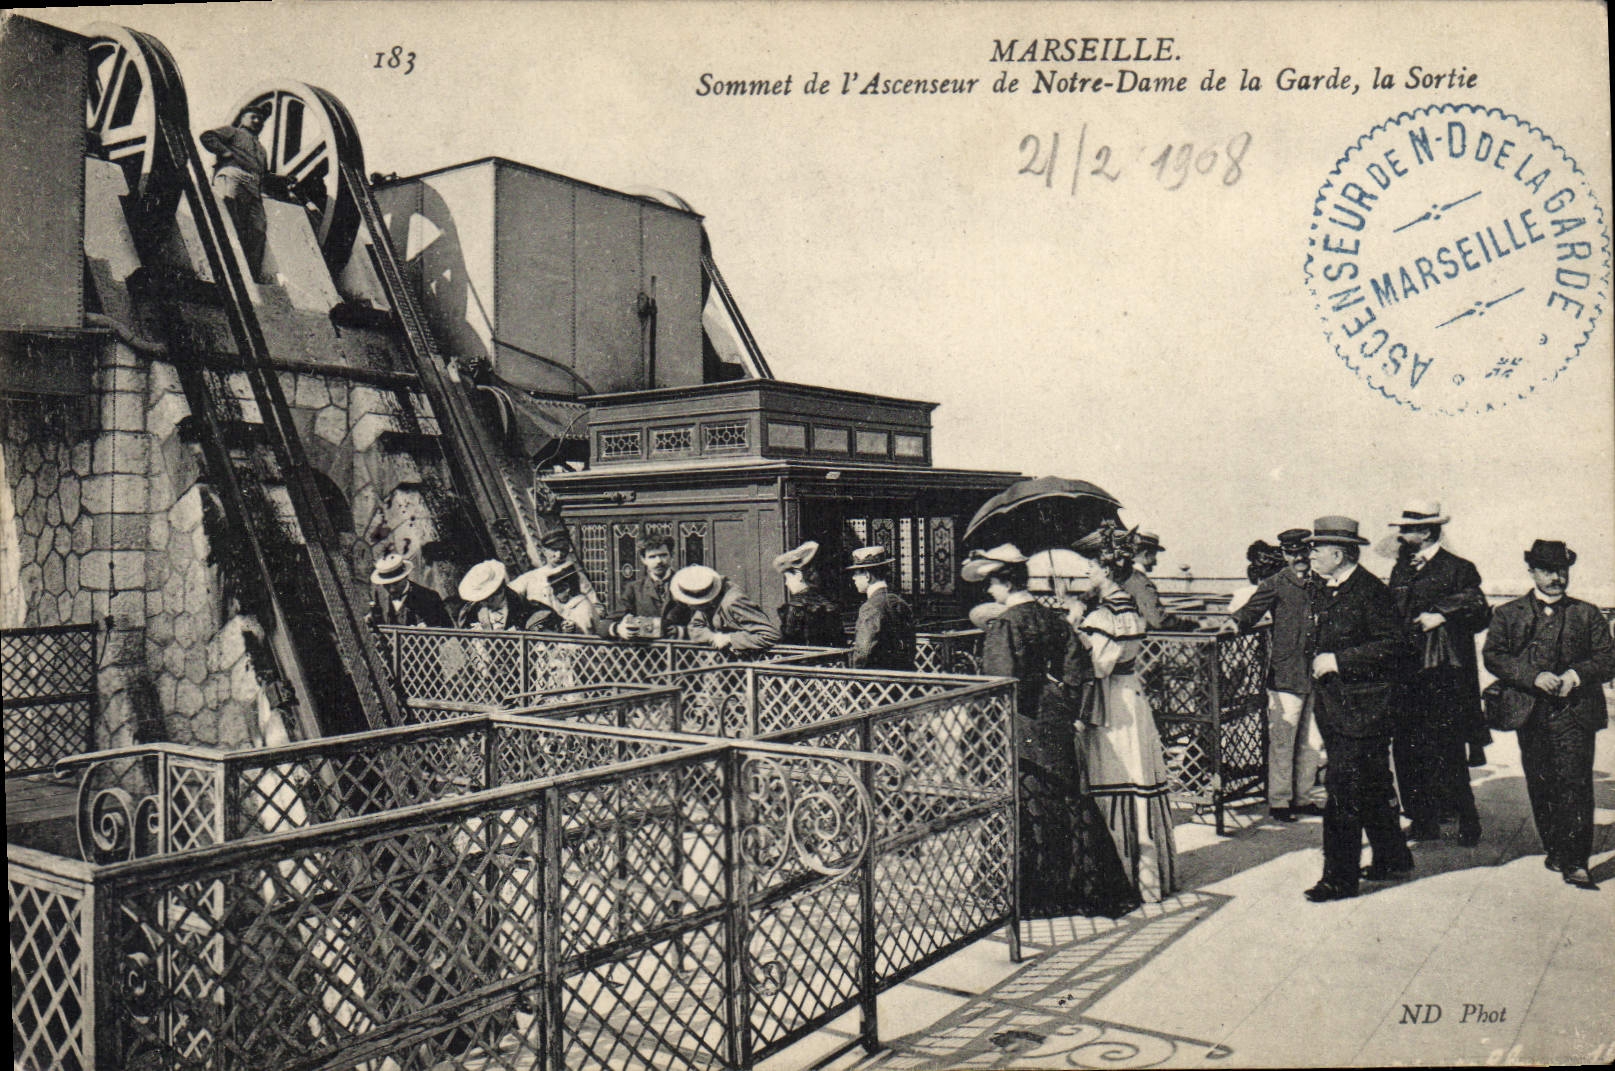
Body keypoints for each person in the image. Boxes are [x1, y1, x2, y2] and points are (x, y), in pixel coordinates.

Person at [965, 543, 1140, 917]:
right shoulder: (1053, 619)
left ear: (1005, 582)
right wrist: (1065, 706)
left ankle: (1036, 894)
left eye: (992, 583)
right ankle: (1080, 888)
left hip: (1022, 721)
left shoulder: (1005, 624)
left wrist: (984, 730)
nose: (990, 591)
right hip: (1055, 719)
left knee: (1030, 800)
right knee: (1066, 798)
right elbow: (1078, 672)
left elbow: (998, 684)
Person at [1483, 540, 1615, 890]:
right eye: (1548, 571)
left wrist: (1575, 675)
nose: (1557, 578)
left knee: (1575, 783)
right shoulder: (1508, 614)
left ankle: (1576, 861)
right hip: (1530, 714)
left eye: (1562, 571)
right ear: (1532, 572)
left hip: (1576, 713)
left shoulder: (1588, 614)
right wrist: (1533, 677)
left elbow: (1608, 658)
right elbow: (1494, 656)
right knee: (1541, 783)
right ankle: (1555, 848)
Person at [1301, 516, 1415, 902]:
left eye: (1317, 548)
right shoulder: (1327, 588)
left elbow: (1395, 645)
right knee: (1371, 784)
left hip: (1365, 709)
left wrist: (1338, 660)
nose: (1311, 554)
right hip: (1339, 706)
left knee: (1342, 791)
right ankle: (1393, 858)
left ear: (1339, 554)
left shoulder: (1369, 591)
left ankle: (1339, 878)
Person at [1072, 524, 1178, 905]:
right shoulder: (1128, 607)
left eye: (1090, 567)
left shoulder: (1103, 616)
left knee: (1114, 776)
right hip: (1132, 697)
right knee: (1139, 779)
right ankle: (1149, 877)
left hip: (1111, 704)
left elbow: (1096, 667)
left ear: (1105, 569)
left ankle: (1122, 876)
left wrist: (1074, 630)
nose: (1086, 572)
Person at [1386, 500, 1490, 846]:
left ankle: (1468, 821)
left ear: (1427, 532)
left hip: (1444, 676)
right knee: (1407, 749)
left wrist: (1443, 614)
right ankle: (1423, 820)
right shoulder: (1401, 569)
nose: (1401, 535)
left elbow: (1480, 612)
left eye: (1407, 529)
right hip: (1406, 673)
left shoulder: (1459, 568)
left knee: (1449, 749)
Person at [1226, 528, 1327, 822]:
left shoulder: (1321, 583)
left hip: (1316, 673)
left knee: (1311, 741)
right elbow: (1251, 610)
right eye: (1292, 553)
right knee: (1284, 740)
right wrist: (1234, 623)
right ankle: (1280, 801)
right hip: (1286, 673)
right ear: (1284, 554)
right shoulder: (1276, 583)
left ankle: (1303, 797)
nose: (1299, 558)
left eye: (1303, 552)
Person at [199, 102, 271, 281]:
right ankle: (223, 269)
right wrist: (225, 153)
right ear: (242, 119)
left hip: (254, 189)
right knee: (229, 219)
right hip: (234, 177)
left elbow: (265, 174)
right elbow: (207, 137)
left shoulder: (262, 150)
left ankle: (250, 275)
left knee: (258, 228)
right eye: (253, 117)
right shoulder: (233, 132)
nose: (257, 121)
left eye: (260, 119)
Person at [669, 565, 780, 653]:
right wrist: (713, 637)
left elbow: (771, 635)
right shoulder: (707, 601)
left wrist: (729, 639)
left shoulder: (733, 602)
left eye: (690, 603)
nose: (688, 606)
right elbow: (694, 627)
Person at [847, 546, 917, 670]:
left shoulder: (870, 608)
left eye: (856, 573)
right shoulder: (900, 602)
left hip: (876, 678)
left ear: (867, 575)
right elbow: (910, 646)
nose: (853, 578)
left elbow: (863, 653)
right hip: (902, 676)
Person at [772, 541, 846, 647]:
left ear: (799, 576)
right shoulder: (827, 603)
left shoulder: (796, 607)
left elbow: (789, 644)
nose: (786, 583)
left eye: (787, 577)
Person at [366, 552, 452, 628]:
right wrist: (371, 620)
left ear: (405, 576)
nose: (392, 589)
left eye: (396, 583)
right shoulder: (379, 596)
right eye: (386, 585)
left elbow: (447, 629)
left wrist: (428, 630)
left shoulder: (429, 597)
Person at [456, 559, 544, 630]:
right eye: (482, 600)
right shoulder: (472, 611)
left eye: (490, 599)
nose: (486, 603)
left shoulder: (520, 603)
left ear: (501, 590)